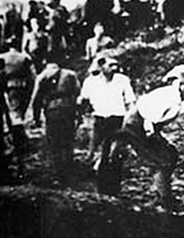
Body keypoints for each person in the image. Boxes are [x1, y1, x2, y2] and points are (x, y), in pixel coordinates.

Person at [97, 64, 184, 212]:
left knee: (170, 154)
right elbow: (146, 113)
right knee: (160, 160)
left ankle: (163, 195)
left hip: (150, 126)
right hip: (137, 123)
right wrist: (152, 135)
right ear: (183, 85)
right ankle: (161, 200)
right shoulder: (166, 95)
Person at [78, 55, 136, 171]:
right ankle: (96, 169)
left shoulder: (122, 80)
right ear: (101, 66)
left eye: (116, 65)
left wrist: (130, 117)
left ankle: (110, 174)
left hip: (117, 118)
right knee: (96, 147)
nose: (114, 68)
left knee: (114, 150)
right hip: (99, 118)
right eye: (110, 65)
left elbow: (130, 101)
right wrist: (81, 115)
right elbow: (83, 99)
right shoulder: (91, 82)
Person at [30, 52, 81, 181]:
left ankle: (58, 172)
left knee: (55, 141)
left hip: (52, 110)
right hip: (68, 109)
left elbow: (36, 98)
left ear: (45, 64)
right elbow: (78, 94)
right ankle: (69, 169)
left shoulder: (42, 76)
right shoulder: (70, 74)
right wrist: (78, 113)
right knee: (68, 140)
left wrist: (36, 117)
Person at [0, 37, 36, 175]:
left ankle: (16, 135)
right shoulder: (24, 57)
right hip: (22, 88)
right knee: (17, 115)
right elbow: (32, 77)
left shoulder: (2, 58)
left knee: (11, 117)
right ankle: (19, 135)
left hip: (7, 90)